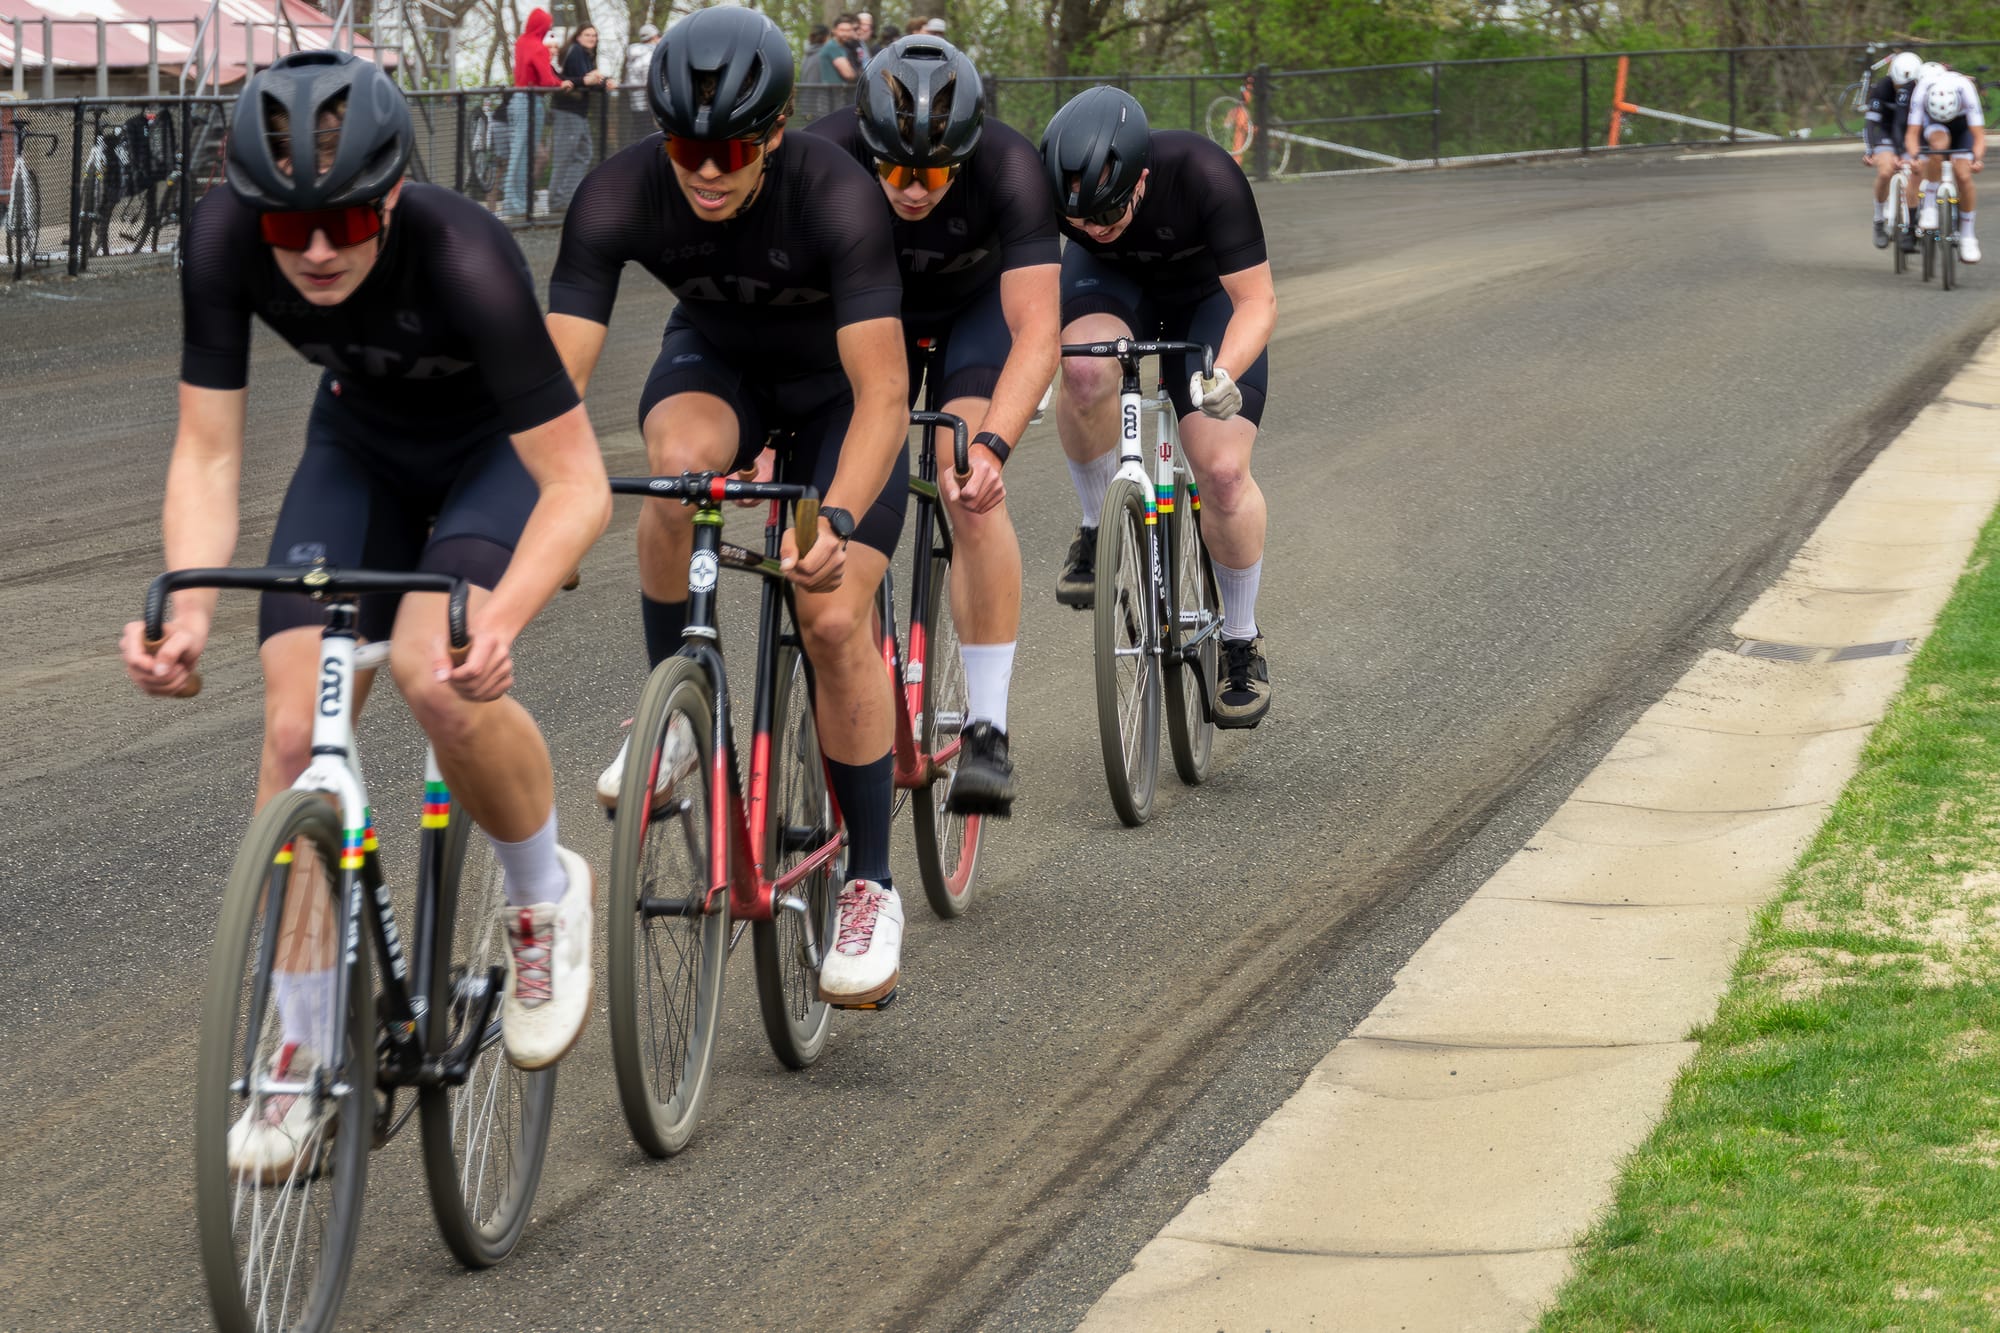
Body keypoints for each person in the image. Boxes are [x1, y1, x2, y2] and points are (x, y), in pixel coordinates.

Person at [122, 51, 611, 1176]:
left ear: (390, 197)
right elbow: (207, 451)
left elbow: (579, 483)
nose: (316, 252)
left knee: (439, 677)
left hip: (492, 459)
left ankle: (544, 892)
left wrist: (505, 617)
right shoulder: (221, 238)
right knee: (294, 733)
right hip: (359, 450)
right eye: (287, 229)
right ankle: (299, 1049)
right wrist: (186, 603)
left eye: (343, 221)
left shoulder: (465, 255)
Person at [546, 7, 914, 1006]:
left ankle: (871, 883)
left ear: (778, 131)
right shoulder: (617, 193)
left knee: (829, 616)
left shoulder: (835, 195)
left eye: (733, 152)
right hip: (719, 365)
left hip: (839, 398)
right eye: (686, 150)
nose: (707, 173)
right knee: (674, 472)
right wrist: (541, 509)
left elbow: (885, 394)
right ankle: (674, 711)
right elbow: (551, 385)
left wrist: (839, 520)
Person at [805, 35, 1057, 814]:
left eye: (936, 172)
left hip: (971, 318)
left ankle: (988, 728)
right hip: (866, 316)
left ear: (969, 152)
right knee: (834, 472)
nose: (913, 189)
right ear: (865, 143)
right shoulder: (823, 155)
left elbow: (1039, 329)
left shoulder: (1011, 168)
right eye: (894, 169)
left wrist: (993, 447)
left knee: (964, 481)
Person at [1041, 86, 1278, 728]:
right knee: (1083, 371)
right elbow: (1027, 290)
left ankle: (1240, 641)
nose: (1094, 228)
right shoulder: (1062, 199)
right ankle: (1096, 527)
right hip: (1115, 287)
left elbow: (1257, 300)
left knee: (1222, 472)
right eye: (1078, 219)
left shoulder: (1205, 174)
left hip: (1208, 300)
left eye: (1109, 211)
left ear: (1141, 179)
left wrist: (1224, 373)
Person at [1907, 61, 1987, 264]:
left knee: (1963, 175)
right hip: (1933, 124)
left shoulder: (1966, 89)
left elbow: (1978, 136)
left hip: (1962, 125)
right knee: (1938, 146)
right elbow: (1912, 133)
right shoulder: (1922, 89)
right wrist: (1914, 158)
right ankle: (1930, 204)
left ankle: (1968, 235)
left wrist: (1976, 159)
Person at [505, 7, 572, 216]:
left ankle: (517, 201)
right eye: (547, 26)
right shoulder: (538, 47)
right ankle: (514, 203)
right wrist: (562, 83)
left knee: (520, 152)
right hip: (531, 102)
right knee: (523, 153)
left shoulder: (521, 42)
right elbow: (546, 80)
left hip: (518, 99)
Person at [549, 23, 610, 211]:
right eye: (587, 35)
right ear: (578, 37)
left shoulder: (585, 54)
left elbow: (589, 81)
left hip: (579, 113)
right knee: (564, 156)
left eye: (594, 35)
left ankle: (568, 197)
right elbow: (583, 80)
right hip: (567, 111)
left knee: (584, 153)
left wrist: (603, 81)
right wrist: (598, 81)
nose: (592, 38)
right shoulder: (575, 52)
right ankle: (556, 201)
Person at [1865, 50, 1922, 248]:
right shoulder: (1882, 87)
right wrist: (1870, 150)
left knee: (1919, 169)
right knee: (1885, 171)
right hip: (1886, 132)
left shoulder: (1922, 87)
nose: (1901, 89)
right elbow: (1871, 123)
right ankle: (1878, 220)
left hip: (1911, 132)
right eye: (1898, 85)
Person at [623, 22, 661, 147]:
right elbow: (648, 78)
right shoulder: (649, 54)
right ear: (654, 37)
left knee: (639, 131)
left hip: (636, 102)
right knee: (649, 135)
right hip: (648, 101)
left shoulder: (634, 53)